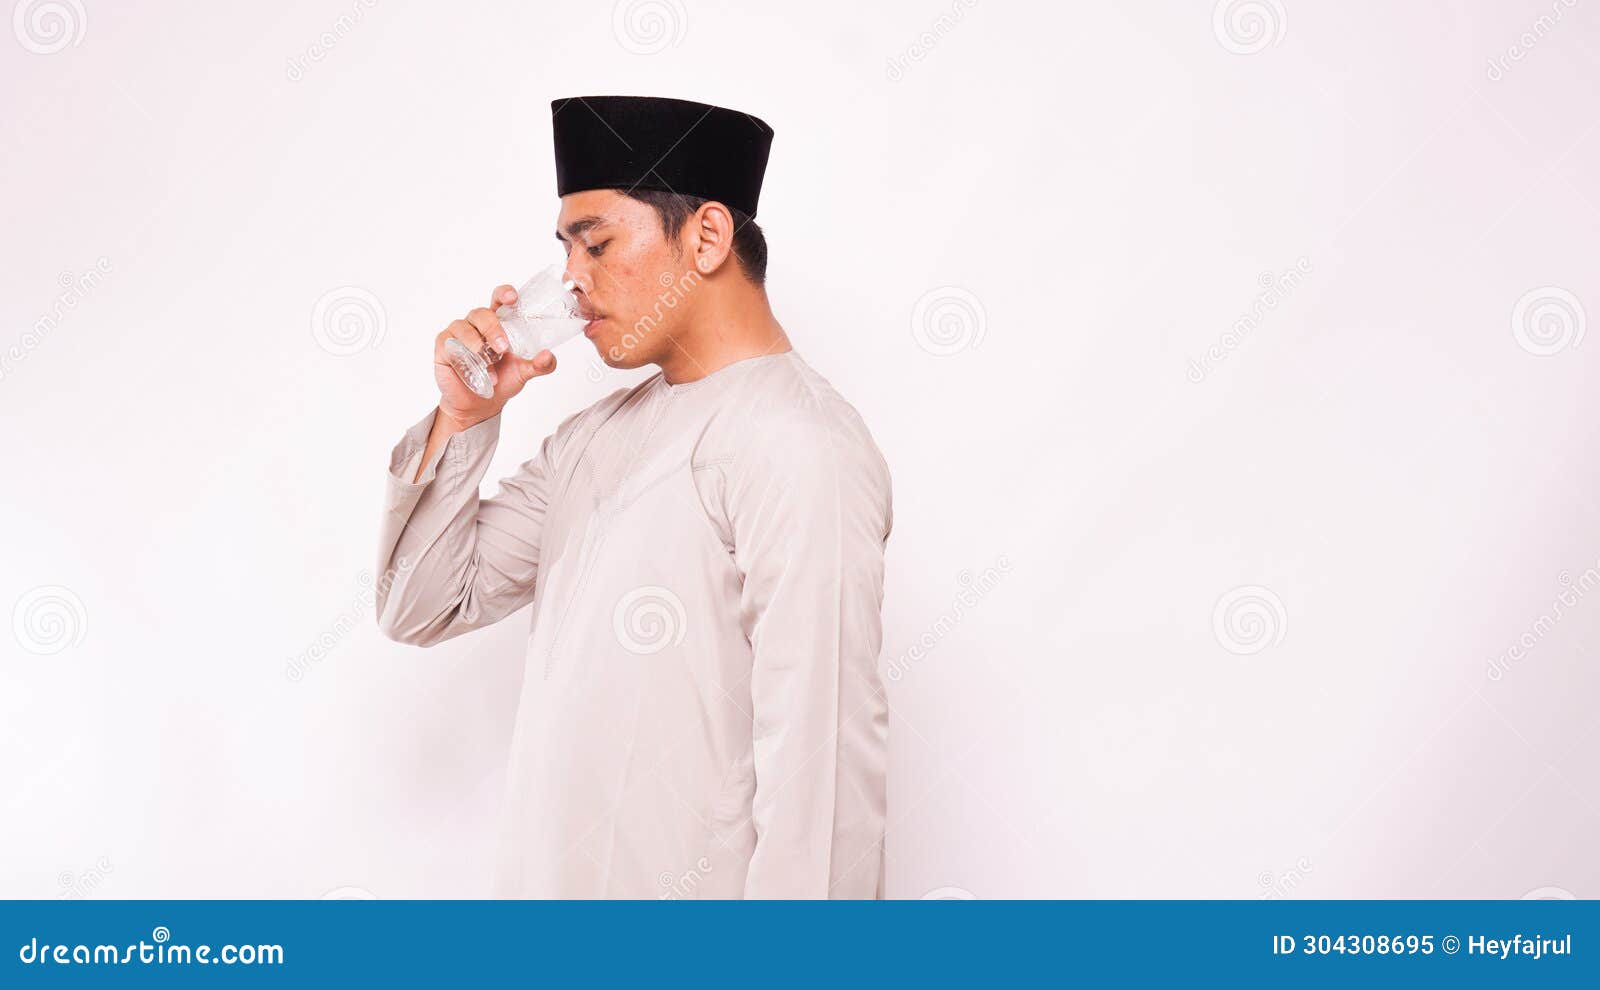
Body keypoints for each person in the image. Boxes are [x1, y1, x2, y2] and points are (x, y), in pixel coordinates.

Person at [374, 96, 894, 898]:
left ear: (708, 237)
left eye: (598, 245)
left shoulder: (799, 443)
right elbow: (423, 605)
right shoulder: (591, 440)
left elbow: (820, 784)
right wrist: (465, 418)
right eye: (566, 252)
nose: (571, 285)